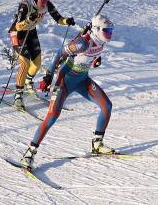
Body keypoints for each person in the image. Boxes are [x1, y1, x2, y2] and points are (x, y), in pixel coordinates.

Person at [20, 15, 115, 170]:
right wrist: (48, 76)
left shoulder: (101, 40)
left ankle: (97, 144)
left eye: (110, 30)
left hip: (83, 79)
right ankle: (29, 153)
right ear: (97, 29)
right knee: (52, 115)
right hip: (65, 81)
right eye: (106, 30)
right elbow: (59, 54)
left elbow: (92, 55)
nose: (109, 34)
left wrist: (96, 60)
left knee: (107, 106)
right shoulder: (82, 43)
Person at [9, 0, 75, 109]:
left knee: (37, 63)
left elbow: (58, 18)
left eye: (47, 0)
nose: (44, 3)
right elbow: (17, 26)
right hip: (18, 34)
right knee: (25, 64)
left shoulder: (46, 4)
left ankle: (28, 82)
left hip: (31, 32)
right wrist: (28, 20)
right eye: (43, 0)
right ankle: (18, 96)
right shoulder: (25, 5)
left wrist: (67, 21)